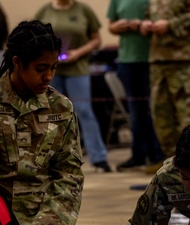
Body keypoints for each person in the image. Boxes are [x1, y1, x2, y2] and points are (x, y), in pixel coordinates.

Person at [0, 20, 84, 224]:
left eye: (53, 67)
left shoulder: (62, 108)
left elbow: (69, 177)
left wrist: (48, 221)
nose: (49, 76)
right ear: (17, 62)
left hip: (47, 217)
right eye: (41, 68)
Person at [34, 0, 111, 172]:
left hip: (78, 68)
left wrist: (78, 53)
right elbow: (34, 39)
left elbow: (96, 40)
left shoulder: (84, 10)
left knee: (84, 111)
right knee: (50, 113)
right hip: (50, 69)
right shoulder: (44, 11)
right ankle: (50, 158)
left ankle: (99, 158)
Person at [139, 0, 190, 160]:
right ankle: (174, 170)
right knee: (162, 118)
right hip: (159, 61)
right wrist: (145, 24)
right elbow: (148, 14)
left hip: (187, 61)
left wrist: (170, 25)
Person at [106, 0, 164, 173]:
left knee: (152, 110)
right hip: (127, 61)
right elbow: (111, 26)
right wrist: (121, 26)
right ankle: (138, 155)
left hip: (151, 60)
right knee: (135, 112)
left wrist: (142, 25)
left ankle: (156, 155)